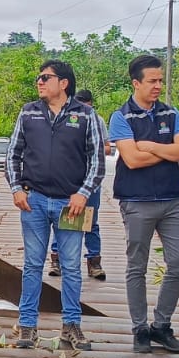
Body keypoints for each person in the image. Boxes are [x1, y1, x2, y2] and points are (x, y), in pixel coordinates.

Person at [6, 59, 106, 350]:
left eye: (45, 77)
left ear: (63, 83)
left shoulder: (85, 115)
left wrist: (83, 193)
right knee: (32, 265)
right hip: (34, 201)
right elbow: (13, 154)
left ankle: (71, 326)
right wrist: (16, 189)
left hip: (71, 203)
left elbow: (98, 161)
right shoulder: (28, 112)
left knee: (71, 267)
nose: (39, 81)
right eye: (38, 77)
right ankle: (27, 325)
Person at [109, 54, 179, 354]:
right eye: (152, 81)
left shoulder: (171, 113)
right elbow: (132, 159)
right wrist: (168, 151)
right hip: (136, 201)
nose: (158, 86)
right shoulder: (121, 117)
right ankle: (140, 328)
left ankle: (162, 324)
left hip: (171, 200)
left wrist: (153, 146)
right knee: (137, 266)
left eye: (160, 80)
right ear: (136, 83)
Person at [50, 88, 109, 281]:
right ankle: (57, 259)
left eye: (86, 105)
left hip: (90, 181)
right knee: (63, 219)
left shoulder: (96, 120)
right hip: (68, 181)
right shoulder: (64, 118)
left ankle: (94, 261)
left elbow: (106, 148)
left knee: (90, 221)